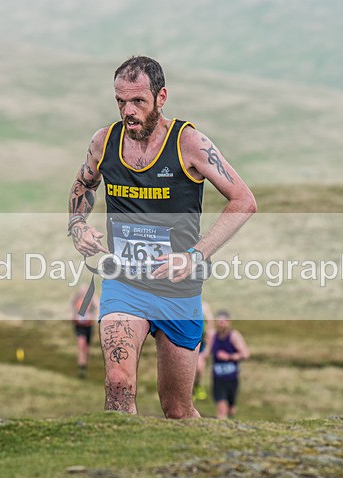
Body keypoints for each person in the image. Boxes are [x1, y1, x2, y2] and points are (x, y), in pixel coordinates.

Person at [67, 56, 257, 418]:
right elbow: (82, 184)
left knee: (178, 410)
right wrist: (77, 225)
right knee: (119, 385)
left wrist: (195, 256)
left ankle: (201, 467)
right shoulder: (103, 143)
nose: (128, 111)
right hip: (125, 285)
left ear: (161, 96)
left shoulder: (190, 144)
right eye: (121, 101)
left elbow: (244, 201)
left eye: (138, 101)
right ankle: (121, 472)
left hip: (178, 291)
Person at [210, 310, 250, 419]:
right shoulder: (213, 335)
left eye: (223, 321)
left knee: (231, 409)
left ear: (228, 322)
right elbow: (207, 352)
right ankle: (221, 429)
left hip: (231, 378)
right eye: (218, 321)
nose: (220, 324)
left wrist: (228, 356)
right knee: (221, 407)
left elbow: (245, 354)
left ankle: (230, 425)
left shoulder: (234, 336)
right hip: (218, 378)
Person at [71, 283, 99, 378]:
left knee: (86, 348)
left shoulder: (91, 300)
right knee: (81, 344)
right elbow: (71, 308)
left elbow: (98, 305)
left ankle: (84, 365)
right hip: (79, 326)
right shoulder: (76, 299)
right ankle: (81, 368)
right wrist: (73, 317)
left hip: (88, 326)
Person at [193, 300, 214, 401]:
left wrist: (208, 346)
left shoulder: (204, 306)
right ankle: (187, 390)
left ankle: (197, 386)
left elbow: (210, 322)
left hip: (201, 341)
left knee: (199, 368)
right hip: (187, 339)